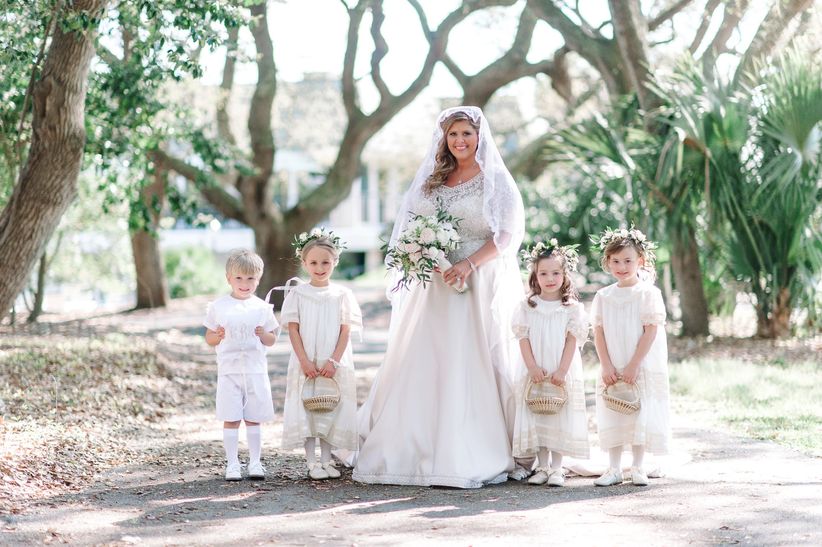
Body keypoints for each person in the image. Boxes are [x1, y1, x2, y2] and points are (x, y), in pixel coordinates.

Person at [352, 106, 525, 488]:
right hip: (437, 282)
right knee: (431, 356)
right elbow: (413, 228)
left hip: (480, 280)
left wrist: (468, 265)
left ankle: (481, 443)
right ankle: (417, 444)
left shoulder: (496, 181)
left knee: (476, 356)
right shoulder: (434, 181)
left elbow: (507, 237)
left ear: (479, 137)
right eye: (453, 135)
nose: (460, 141)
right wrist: (432, 257)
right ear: (444, 140)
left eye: (466, 133)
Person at [590, 227, 671, 487]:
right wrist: (606, 364)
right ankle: (613, 468)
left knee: (639, 409)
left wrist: (635, 364)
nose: (621, 266)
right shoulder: (604, 296)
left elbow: (651, 330)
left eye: (628, 260)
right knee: (614, 408)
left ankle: (638, 466)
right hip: (613, 360)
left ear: (641, 261)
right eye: (615, 261)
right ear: (607, 262)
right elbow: (599, 332)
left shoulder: (648, 293)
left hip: (639, 361)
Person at [280, 229, 361, 480]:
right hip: (307, 360)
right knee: (308, 409)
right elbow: (293, 329)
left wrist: (334, 361)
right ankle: (311, 462)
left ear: (335, 262)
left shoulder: (342, 295)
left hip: (332, 360)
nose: (319, 267)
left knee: (329, 408)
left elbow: (345, 329)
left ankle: (327, 461)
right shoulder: (297, 294)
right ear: (304, 263)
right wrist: (304, 360)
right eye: (313, 262)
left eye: (325, 262)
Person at [511, 240, 590, 487]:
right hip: (536, 368)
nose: (550, 278)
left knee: (559, 415)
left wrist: (563, 370)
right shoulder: (527, 306)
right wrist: (532, 367)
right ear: (535, 275)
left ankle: (557, 467)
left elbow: (572, 340)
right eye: (543, 273)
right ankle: (542, 466)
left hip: (559, 367)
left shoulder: (571, 308)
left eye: (556, 273)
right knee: (539, 413)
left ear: (565, 275)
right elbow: (522, 338)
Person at [204, 249, 279, 481]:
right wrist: (218, 334)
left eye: (250, 279)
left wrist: (263, 334)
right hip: (230, 370)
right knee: (232, 416)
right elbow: (209, 339)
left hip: (255, 370)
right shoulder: (219, 306)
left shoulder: (262, 308)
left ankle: (255, 462)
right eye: (239, 278)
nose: (244, 283)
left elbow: (272, 339)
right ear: (229, 278)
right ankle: (233, 463)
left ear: (258, 279)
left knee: (253, 417)